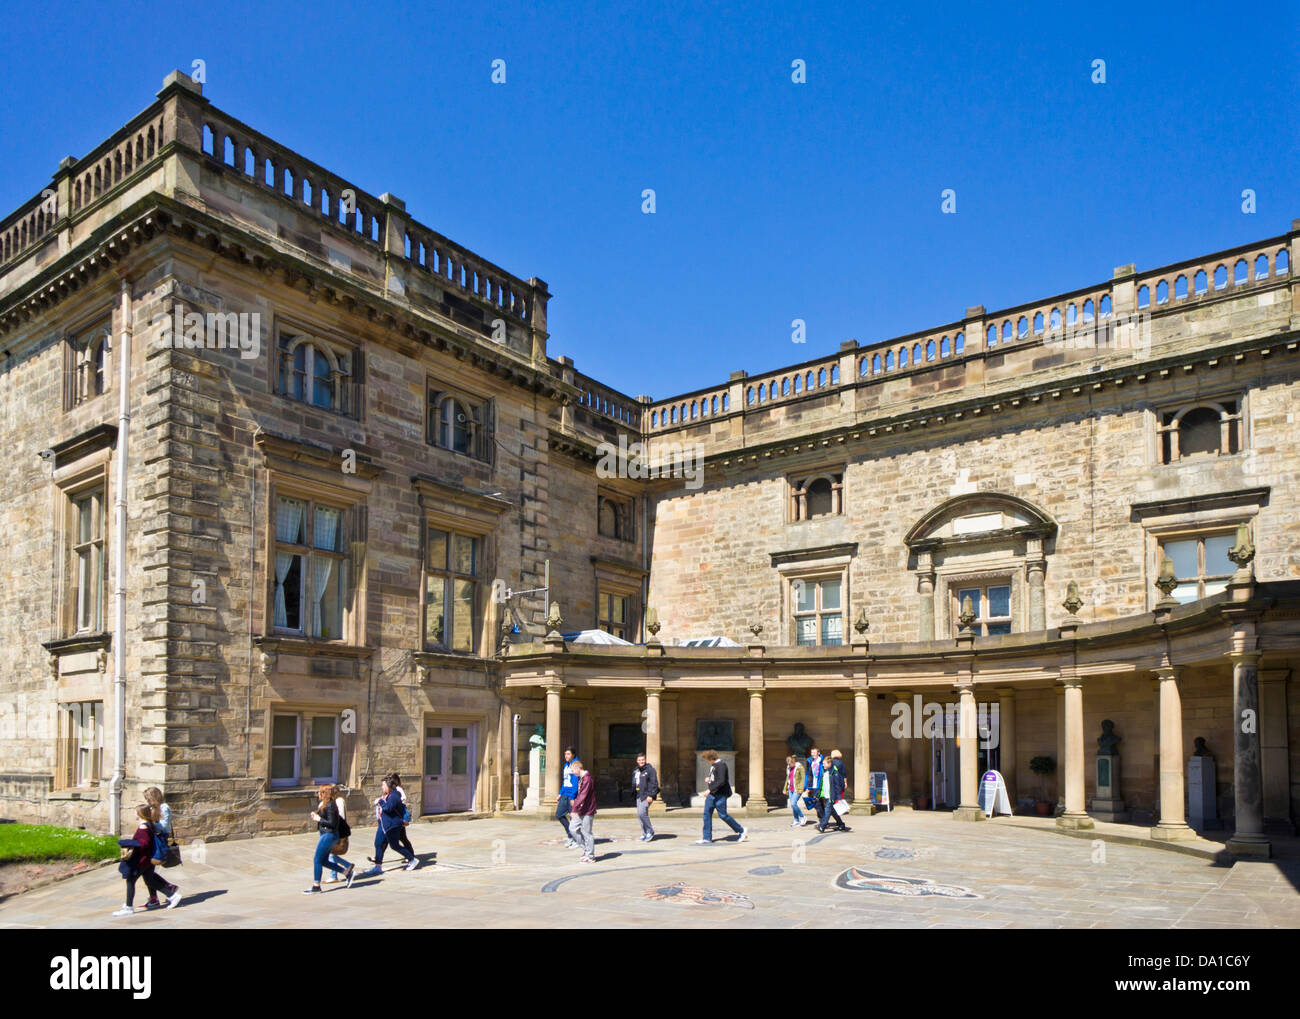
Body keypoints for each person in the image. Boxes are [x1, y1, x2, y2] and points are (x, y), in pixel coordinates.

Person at [112, 805, 181, 916]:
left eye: (135, 811)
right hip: (147, 860)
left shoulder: (143, 827)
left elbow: (145, 844)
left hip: (141, 860)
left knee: (130, 881)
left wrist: (128, 843)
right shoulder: (149, 824)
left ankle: (128, 907)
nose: (134, 813)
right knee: (150, 881)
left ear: (140, 814)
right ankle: (173, 896)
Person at [304, 783, 356, 893]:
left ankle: (316, 886)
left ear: (325, 793)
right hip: (326, 835)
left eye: (320, 792)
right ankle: (347, 872)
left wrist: (319, 819)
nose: (318, 794)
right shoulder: (325, 804)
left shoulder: (331, 805)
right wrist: (316, 815)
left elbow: (332, 823)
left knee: (317, 859)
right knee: (323, 861)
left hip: (329, 835)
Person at [363, 778, 417, 875]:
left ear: (389, 786)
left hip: (392, 825)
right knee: (378, 843)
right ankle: (378, 866)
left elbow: (388, 808)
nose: (382, 787)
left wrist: (380, 802)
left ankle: (412, 859)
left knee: (394, 845)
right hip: (383, 824)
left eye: (383, 785)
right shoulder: (387, 795)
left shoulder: (395, 796)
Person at [696, 750, 746, 844]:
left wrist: (709, 790)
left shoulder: (721, 765)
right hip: (713, 795)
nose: (707, 761)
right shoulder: (714, 766)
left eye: (707, 760)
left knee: (723, 815)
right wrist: (709, 779)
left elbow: (721, 781)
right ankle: (707, 837)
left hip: (720, 794)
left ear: (711, 758)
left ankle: (741, 830)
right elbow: (716, 779)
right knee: (707, 814)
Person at [142, 786, 176, 908]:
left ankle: (165, 889)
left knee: (148, 870)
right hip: (152, 837)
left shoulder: (164, 807)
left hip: (160, 838)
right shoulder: (152, 808)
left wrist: (150, 823)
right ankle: (156, 895)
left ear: (154, 797)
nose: (147, 801)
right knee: (147, 870)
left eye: (148, 798)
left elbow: (164, 825)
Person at [568, 758, 597, 863]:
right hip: (581, 810)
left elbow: (583, 795)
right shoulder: (581, 778)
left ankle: (590, 856)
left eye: (572, 770)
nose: (572, 772)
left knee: (587, 832)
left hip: (588, 810)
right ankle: (585, 849)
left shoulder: (587, 779)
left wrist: (574, 808)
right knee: (572, 828)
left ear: (577, 768)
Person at [323, 784, 353, 884]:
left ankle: (334, 875)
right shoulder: (334, 801)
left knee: (331, 853)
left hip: (338, 831)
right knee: (331, 853)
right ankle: (345, 867)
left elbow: (340, 817)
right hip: (334, 830)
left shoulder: (339, 801)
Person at [818, 749, 852, 833]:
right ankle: (841, 824)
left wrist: (838, 796)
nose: (823, 765)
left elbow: (836, 783)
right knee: (832, 810)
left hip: (832, 793)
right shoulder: (828, 770)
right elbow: (844, 775)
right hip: (829, 792)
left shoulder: (833, 770)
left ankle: (822, 826)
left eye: (824, 763)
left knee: (828, 809)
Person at [388, 772, 418, 861]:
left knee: (402, 838)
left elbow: (403, 800)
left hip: (398, 817)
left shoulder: (398, 789)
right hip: (395, 818)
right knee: (400, 838)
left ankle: (410, 855)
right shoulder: (392, 789)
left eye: (389, 779)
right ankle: (378, 857)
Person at [632, 752, 659, 841]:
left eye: (643, 760)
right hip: (638, 795)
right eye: (639, 760)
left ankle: (650, 831)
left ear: (645, 760)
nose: (641, 761)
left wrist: (651, 795)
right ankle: (644, 833)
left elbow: (654, 783)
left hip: (646, 795)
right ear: (637, 761)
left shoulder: (650, 770)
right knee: (639, 815)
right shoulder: (636, 770)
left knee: (642, 813)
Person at [556, 746, 579, 846]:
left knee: (573, 818)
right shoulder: (566, 765)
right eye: (565, 754)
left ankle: (576, 839)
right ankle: (570, 835)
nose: (566, 756)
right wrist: (560, 793)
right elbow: (565, 781)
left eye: (568, 754)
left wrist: (573, 797)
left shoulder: (576, 765)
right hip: (565, 794)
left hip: (571, 795)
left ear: (573, 755)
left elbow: (575, 783)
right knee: (559, 814)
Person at [805, 746, 826, 828]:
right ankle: (824, 820)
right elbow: (809, 775)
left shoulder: (822, 762)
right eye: (811, 753)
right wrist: (808, 787)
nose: (812, 754)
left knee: (817, 803)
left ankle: (822, 821)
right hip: (813, 786)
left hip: (820, 785)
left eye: (814, 752)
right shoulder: (810, 762)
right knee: (819, 803)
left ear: (818, 753)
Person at [784, 755, 808, 827]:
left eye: (790, 764)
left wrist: (801, 788)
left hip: (797, 788)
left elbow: (803, 778)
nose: (789, 765)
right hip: (790, 788)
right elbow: (787, 778)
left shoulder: (799, 767)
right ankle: (796, 820)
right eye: (788, 764)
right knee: (793, 805)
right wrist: (785, 788)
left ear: (793, 762)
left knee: (793, 803)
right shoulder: (788, 768)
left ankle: (802, 817)